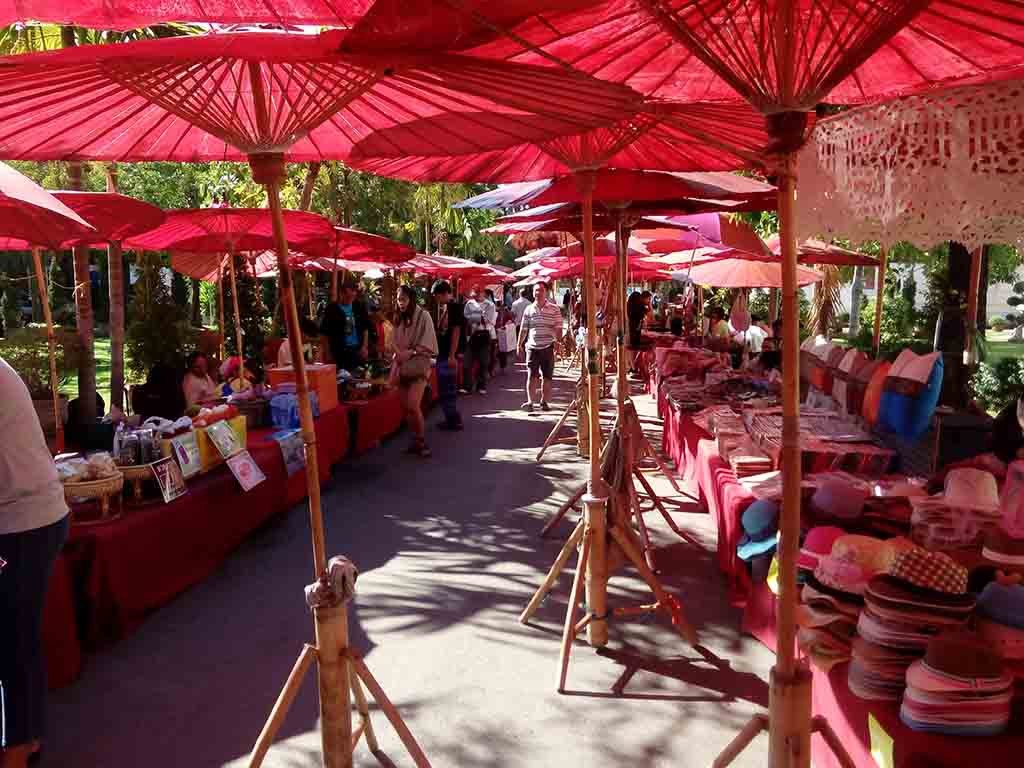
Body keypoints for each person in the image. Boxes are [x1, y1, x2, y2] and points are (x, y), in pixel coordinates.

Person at [0, 355, 70, 768]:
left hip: (23, 525)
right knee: (15, 634)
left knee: (12, 638)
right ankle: (28, 735)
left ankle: (19, 747)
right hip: (26, 519)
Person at [391, 285, 438, 458]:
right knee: (406, 408)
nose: (400, 303)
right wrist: (399, 353)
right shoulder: (399, 318)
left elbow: (428, 344)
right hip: (403, 366)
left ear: (410, 299)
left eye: (403, 299)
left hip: (418, 365)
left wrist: (410, 352)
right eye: (398, 299)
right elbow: (393, 341)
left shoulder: (423, 315)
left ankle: (421, 440)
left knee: (412, 405)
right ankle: (415, 440)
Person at [517, 281, 563, 411]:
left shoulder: (554, 309)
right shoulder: (528, 309)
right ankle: (530, 402)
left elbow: (558, 328)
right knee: (532, 376)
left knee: (547, 377)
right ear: (533, 293)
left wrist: (558, 343)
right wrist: (519, 344)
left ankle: (544, 401)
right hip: (532, 348)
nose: (538, 293)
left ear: (546, 292)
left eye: (541, 290)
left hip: (548, 347)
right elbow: (524, 329)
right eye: (536, 290)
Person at [432, 280, 464, 431]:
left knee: (448, 388)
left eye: (437, 296)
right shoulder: (447, 307)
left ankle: (453, 419)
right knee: (445, 388)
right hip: (444, 353)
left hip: (448, 355)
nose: (436, 300)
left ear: (443, 294)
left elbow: (456, 332)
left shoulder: (454, 307)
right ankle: (451, 418)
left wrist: (452, 355)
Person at [321, 278, 370, 373]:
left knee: (357, 378)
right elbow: (324, 333)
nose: (350, 299)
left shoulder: (359, 307)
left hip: (356, 350)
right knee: (342, 379)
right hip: (339, 352)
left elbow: (365, 328)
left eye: (353, 296)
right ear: (341, 293)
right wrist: (327, 353)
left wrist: (364, 347)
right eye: (348, 296)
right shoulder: (332, 309)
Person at [461, 288, 495, 395]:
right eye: (475, 291)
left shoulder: (490, 305)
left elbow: (489, 320)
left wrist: (475, 316)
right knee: (467, 362)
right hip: (471, 335)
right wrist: (479, 315)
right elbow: (466, 318)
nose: (477, 293)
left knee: (483, 362)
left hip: (484, 334)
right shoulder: (469, 303)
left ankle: (481, 386)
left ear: (484, 293)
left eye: (479, 291)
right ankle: (467, 386)